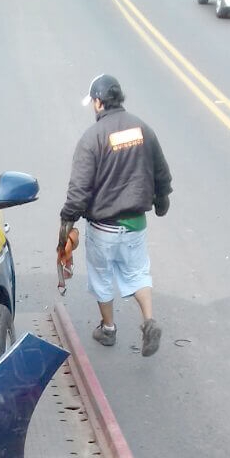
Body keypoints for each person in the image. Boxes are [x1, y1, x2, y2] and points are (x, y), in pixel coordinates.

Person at [59, 74, 173, 357]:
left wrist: (67, 221)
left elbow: (79, 187)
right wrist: (162, 198)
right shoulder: (142, 129)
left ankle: (108, 329)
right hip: (135, 224)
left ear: (98, 102)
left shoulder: (93, 138)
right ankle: (148, 321)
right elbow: (161, 170)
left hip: (104, 227)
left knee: (101, 277)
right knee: (137, 274)